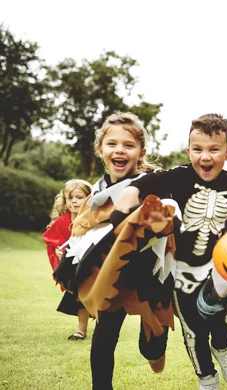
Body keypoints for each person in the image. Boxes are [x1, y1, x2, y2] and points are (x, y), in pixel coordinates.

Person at [116, 113, 227, 390]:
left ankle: (223, 348)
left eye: (215, 149)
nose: (205, 157)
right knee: (193, 331)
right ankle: (206, 377)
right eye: (198, 149)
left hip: (218, 269)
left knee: (226, 321)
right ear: (188, 150)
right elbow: (139, 186)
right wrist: (125, 203)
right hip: (181, 272)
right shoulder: (175, 177)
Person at [54, 112, 176, 390]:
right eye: (112, 144)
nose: (119, 150)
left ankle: (155, 347)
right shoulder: (95, 195)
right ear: (100, 150)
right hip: (111, 278)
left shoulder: (152, 185)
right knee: (103, 339)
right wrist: (70, 253)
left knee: (152, 352)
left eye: (128, 145)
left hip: (149, 281)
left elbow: (169, 220)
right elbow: (82, 230)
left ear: (141, 152)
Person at [43, 179, 93, 340]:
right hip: (72, 269)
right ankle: (81, 331)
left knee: (95, 296)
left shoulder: (94, 219)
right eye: (70, 198)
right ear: (65, 201)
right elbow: (52, 240)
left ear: (89, 198)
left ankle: (102, 325)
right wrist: (57, 251)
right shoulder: (62, 221)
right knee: (78, 295)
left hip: (91, 266)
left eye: (79, 197)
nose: (75, 201)